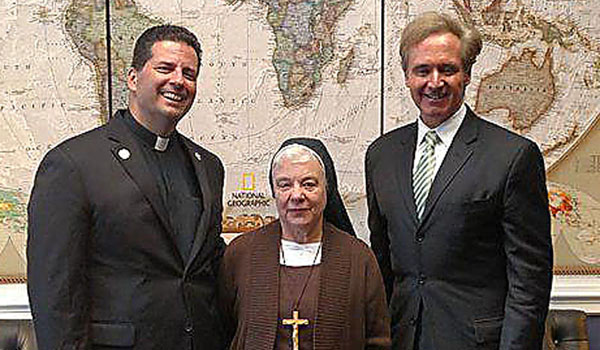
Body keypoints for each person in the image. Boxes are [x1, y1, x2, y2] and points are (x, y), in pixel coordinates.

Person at [27, 25, 226, 350]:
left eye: (189, 73)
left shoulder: (208, 166)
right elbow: (56, 294)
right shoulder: (73, 164)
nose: (179, 80)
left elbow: (207, 271)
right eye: (165, 68)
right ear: (133, 78)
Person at [365, 12, 553, 350]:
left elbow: (530, 280)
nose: (434, 82)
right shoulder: (381, 156)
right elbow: (383, 264)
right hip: (402, 339)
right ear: (407, 77)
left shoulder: (513, 157)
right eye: (422, 70)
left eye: (447, 69)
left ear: (466, 75)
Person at [219, 138, 390, 350]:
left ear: (327, 190)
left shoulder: (358, 258)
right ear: (274, 191)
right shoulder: (240, 254)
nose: (297, 195)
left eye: (309, 184)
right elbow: (222, 331)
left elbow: (378, 341)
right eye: (285, 185)